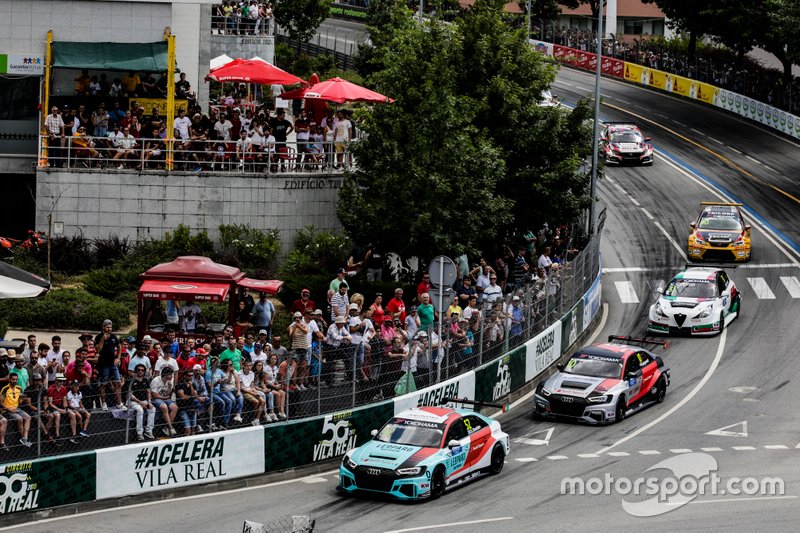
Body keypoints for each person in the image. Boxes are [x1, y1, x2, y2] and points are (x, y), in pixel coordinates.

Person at [95, 319, 126, 411]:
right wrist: (102, 340)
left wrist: (118, 358)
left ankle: (119, 403)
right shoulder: (98, 336)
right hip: (103, 364)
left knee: (118, 382)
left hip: (113, 363)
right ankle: (104, 403)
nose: (109, 329)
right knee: (104, 383)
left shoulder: (113, 336)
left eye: (110, 327)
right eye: (107, 327)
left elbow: (119, 346)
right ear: (103, 327)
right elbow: (98, 350)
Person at [1, 372, 32, 447]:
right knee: (19, 418)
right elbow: (1, 403)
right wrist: (9, 409)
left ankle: (25, 438)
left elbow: (19, 402)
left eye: (16, 379)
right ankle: (22, 438)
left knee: (28, 417)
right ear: (9, 379)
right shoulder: (5, 389)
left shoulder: (19, 388)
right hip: (8, 410)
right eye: (13, 379)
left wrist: (23, 399)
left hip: (17, 408)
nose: (15, 381)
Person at [128, 364, 156, 440]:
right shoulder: (131, 381)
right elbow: (130, 395)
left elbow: (148, 392)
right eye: (139, 370)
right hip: (133, 401)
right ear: (136, 371)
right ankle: (139, 433)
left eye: (142, 370)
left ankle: (148, 431)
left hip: (144, 400)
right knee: (140, 410)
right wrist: (140, 402)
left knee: (152, 409)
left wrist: (149, 402)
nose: (140, 371)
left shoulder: (145, 380)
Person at [151, 366, 179, 437]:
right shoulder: (156, 380)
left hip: (164, 398)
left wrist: (170, 388)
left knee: (174, 407)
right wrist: (164, 397)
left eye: (171, 374)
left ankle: (166, 427)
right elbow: (154, 395)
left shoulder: (169, 382)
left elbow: (168, 395)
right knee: (164, 407)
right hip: (155, 399)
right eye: (170, 374)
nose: (171, 376)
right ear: (165, 374)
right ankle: (170, 427)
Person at [174, 371, 198, 436]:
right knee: (187, 430)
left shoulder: (193, 384)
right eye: (189, 375)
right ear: (184, 376)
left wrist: (191, 386)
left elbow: (195, 396)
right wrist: (192, 396)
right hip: (183, 409)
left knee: (193, 430)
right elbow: (182, 397)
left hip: (192, 408)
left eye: (192, 375)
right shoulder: (180, 384)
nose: (191, 377)